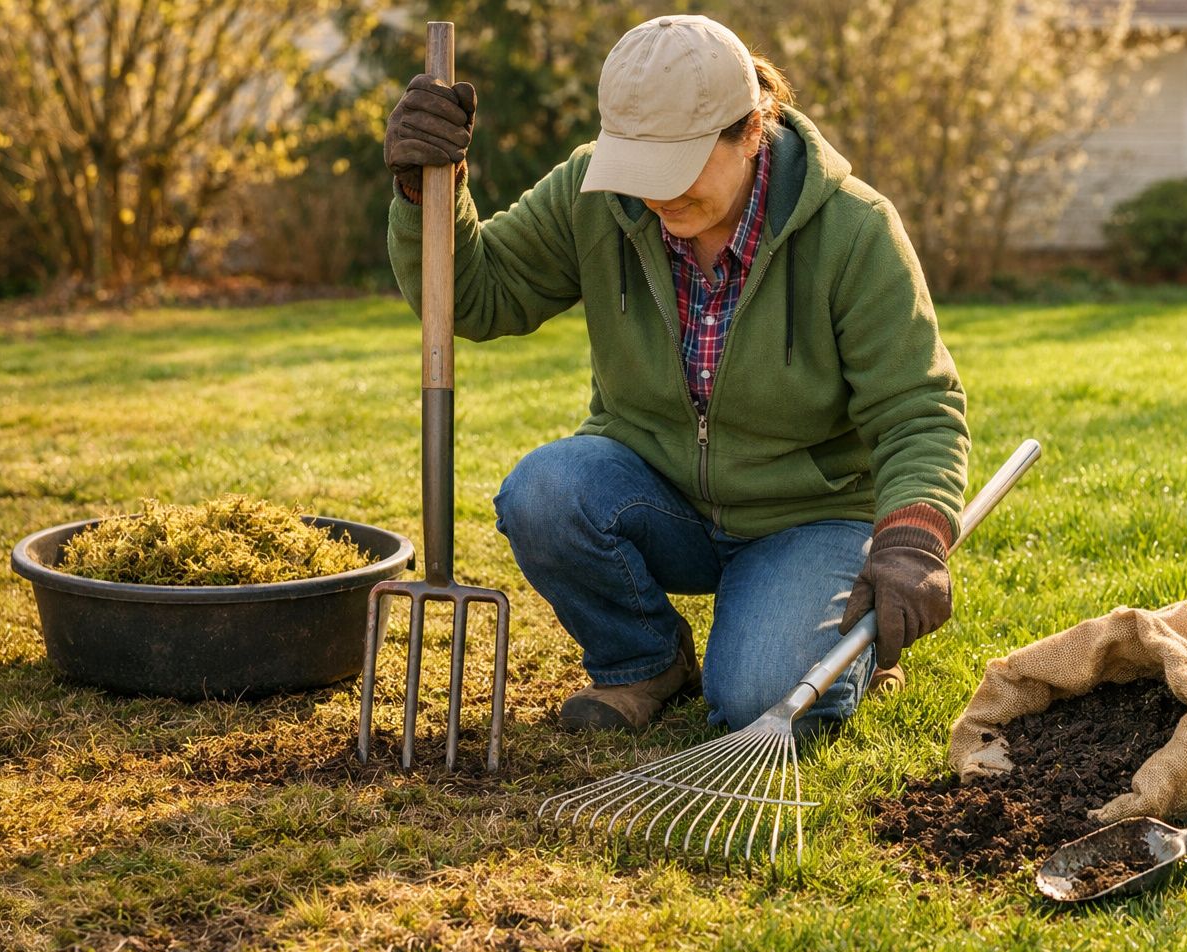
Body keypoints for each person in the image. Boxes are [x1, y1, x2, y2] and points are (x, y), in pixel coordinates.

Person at [382, 14, 969, 735]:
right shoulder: (593, 194)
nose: (658, 194)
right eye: (640, 166)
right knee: (545, 491)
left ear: (753, 128)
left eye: (681, 166)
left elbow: (917, 409)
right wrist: (425, 194)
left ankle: (840, 640)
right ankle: (644, 663)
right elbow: (477, 297)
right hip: (661, 495)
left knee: (762, 703)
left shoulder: (854, 230)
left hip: (804, 516)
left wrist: (912, 538)